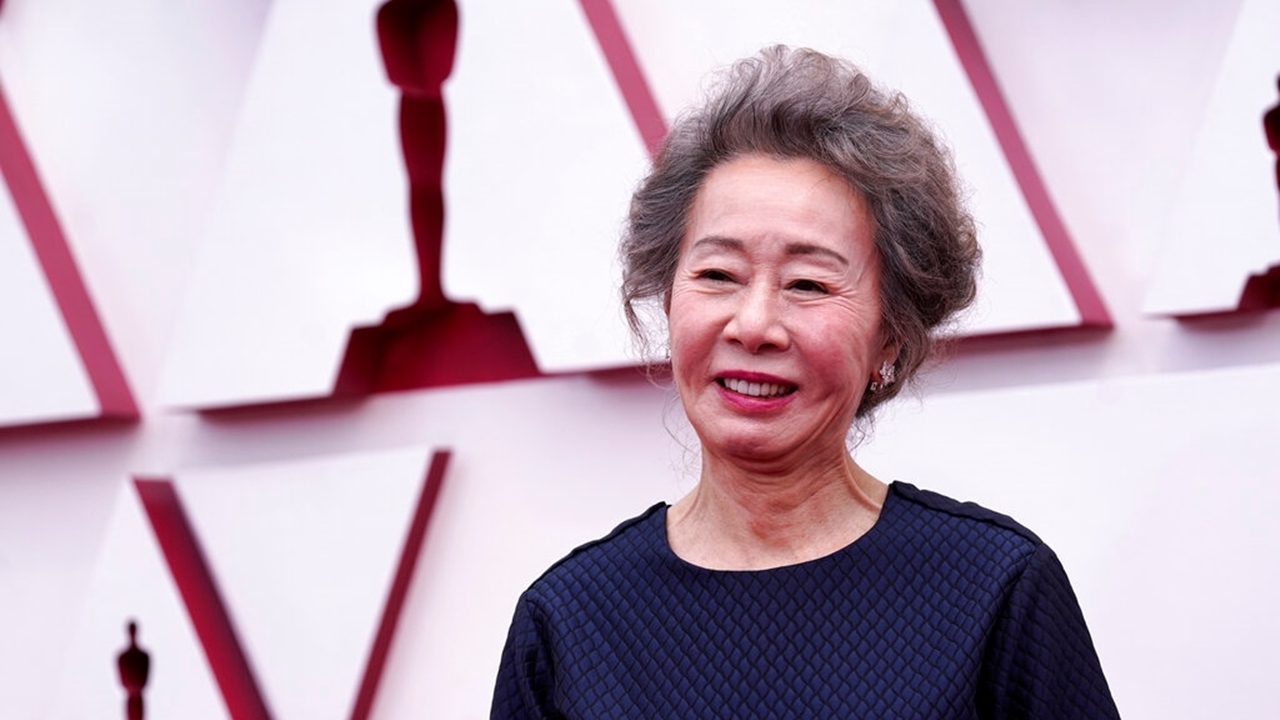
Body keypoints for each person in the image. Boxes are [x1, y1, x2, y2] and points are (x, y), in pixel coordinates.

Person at [491, 45, 1120, 719]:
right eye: (718, 275)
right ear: (668, 301)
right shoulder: (570, 621)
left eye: (808, 284)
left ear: (891, 334)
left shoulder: (992, 588)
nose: (754, 325)